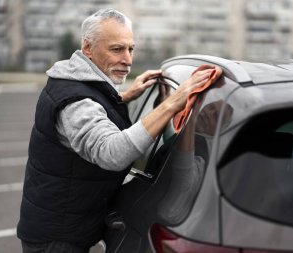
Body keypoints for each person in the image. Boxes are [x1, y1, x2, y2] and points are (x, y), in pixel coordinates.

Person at [17, 8, 213, 253]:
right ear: (88, 48)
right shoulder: (76, 104)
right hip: (56, 240)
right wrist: (174, 102)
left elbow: (90, 107)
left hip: (60, 227)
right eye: (117, 49)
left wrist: (123, 97)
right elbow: (113, 153)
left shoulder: (72, 80)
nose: (128, 60)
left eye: (130, 49)